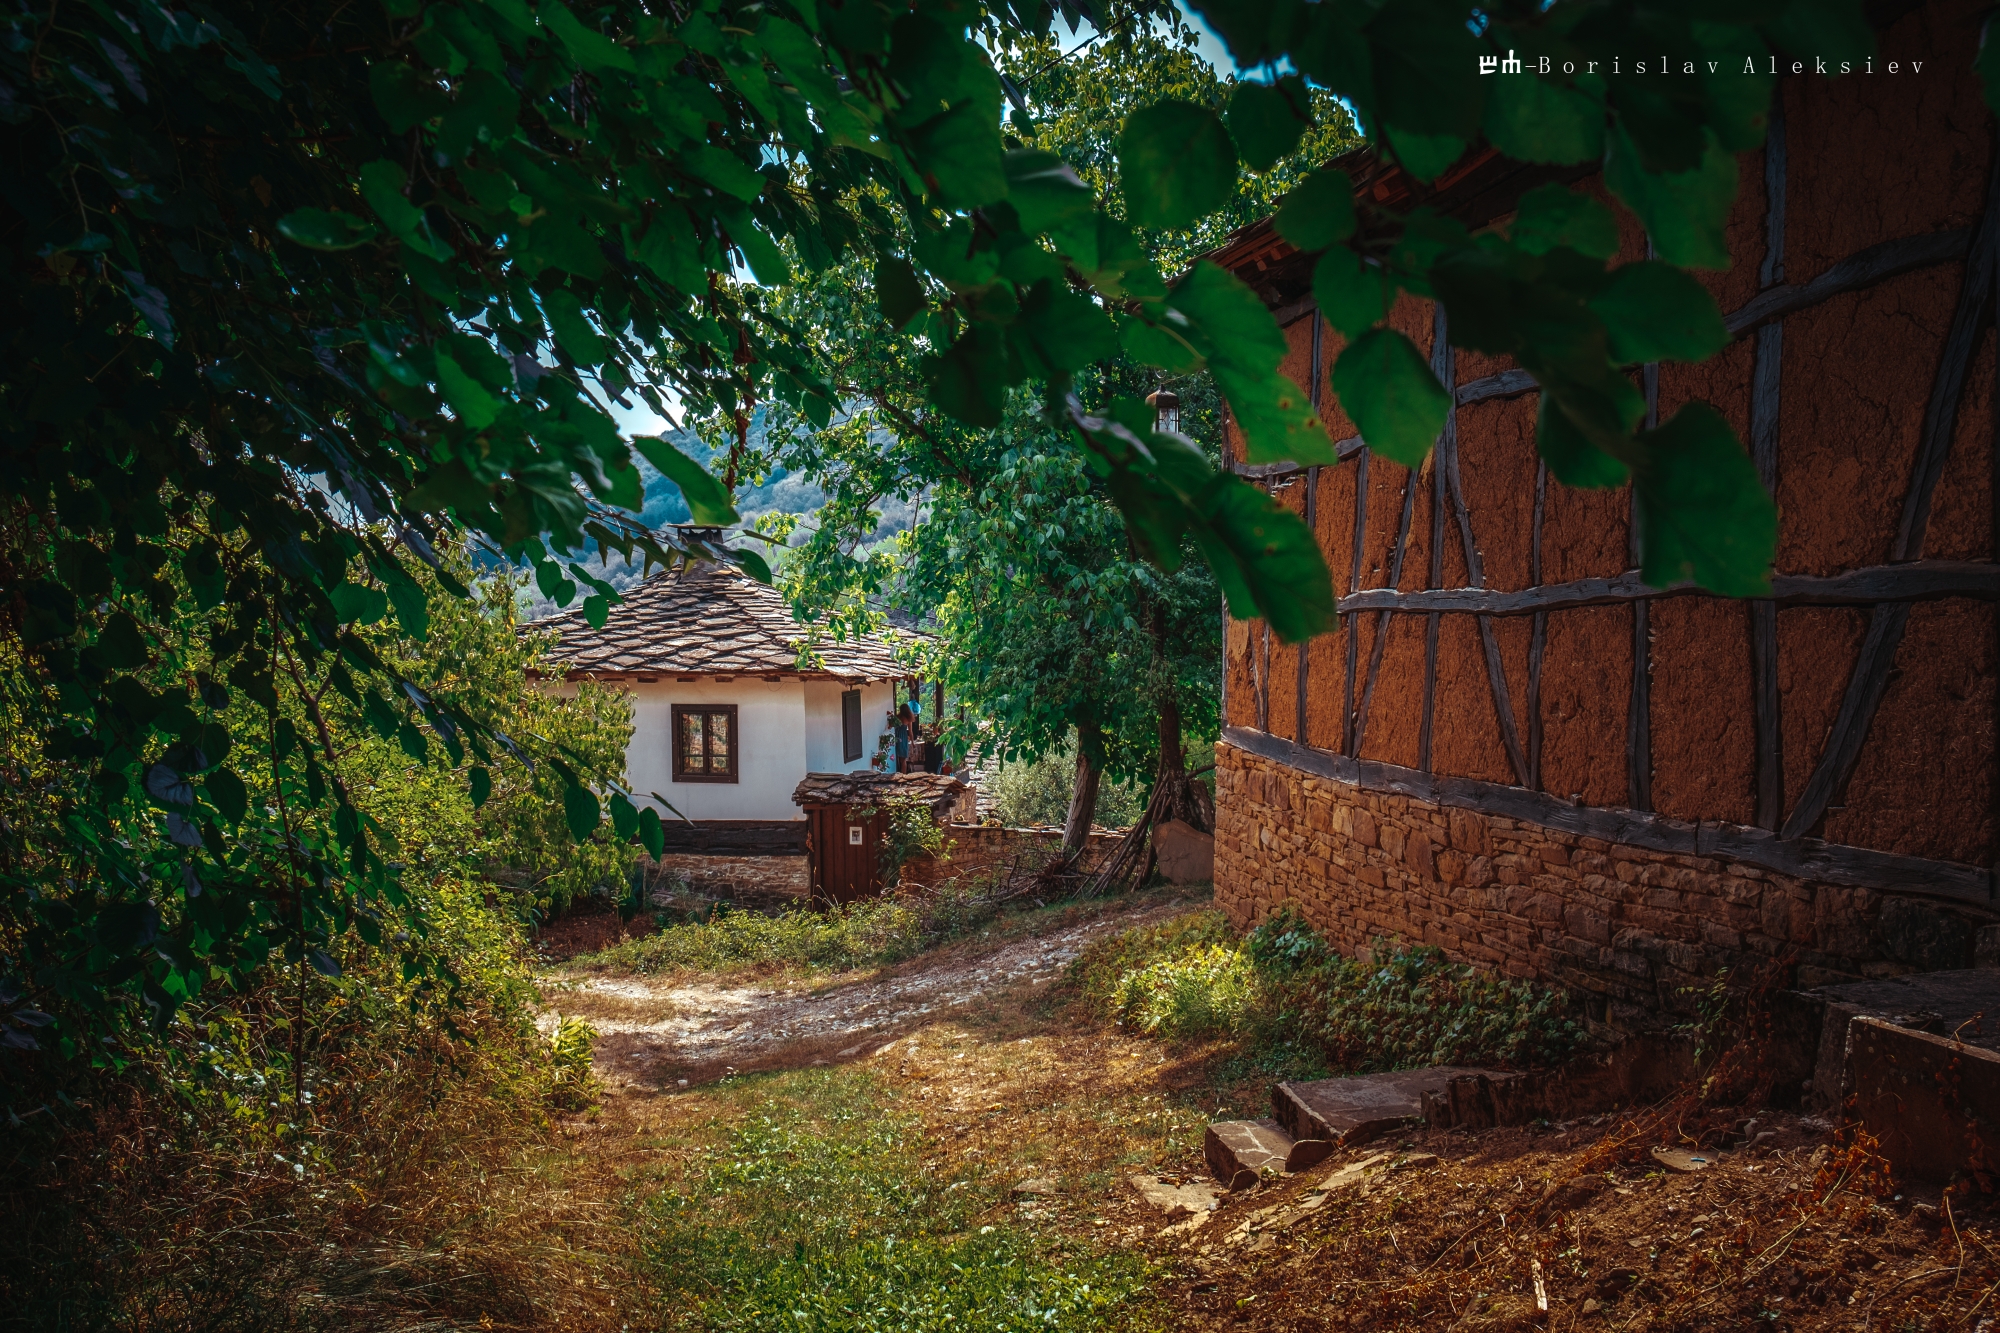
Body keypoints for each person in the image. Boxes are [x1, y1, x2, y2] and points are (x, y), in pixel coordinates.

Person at [893, 702, 914, 773]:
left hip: (896, 737)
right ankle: (903, 775)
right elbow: (910, 732)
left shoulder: (897, 717)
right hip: (903, 738)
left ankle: (898, 773)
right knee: (903, 759)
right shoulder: (908, 719)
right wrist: (912, 742)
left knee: (897, 758)